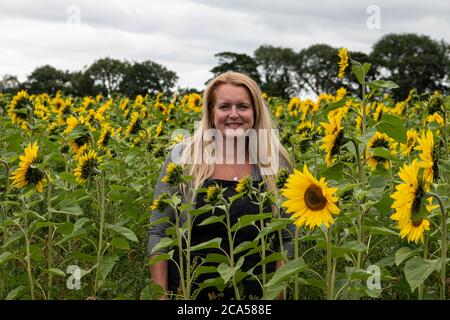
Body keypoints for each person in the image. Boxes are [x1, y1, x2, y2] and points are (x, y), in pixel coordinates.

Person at [147, 71, 295, 300]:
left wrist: (278, 295)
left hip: (256, 295)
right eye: (225, 107)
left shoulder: (274, 162)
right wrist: (160, 296)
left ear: (255, 112)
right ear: (211, 112)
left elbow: (287, 237)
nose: (233, 114)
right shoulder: (184, 158)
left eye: (243, 106)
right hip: (190, 293)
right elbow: (159, 231)